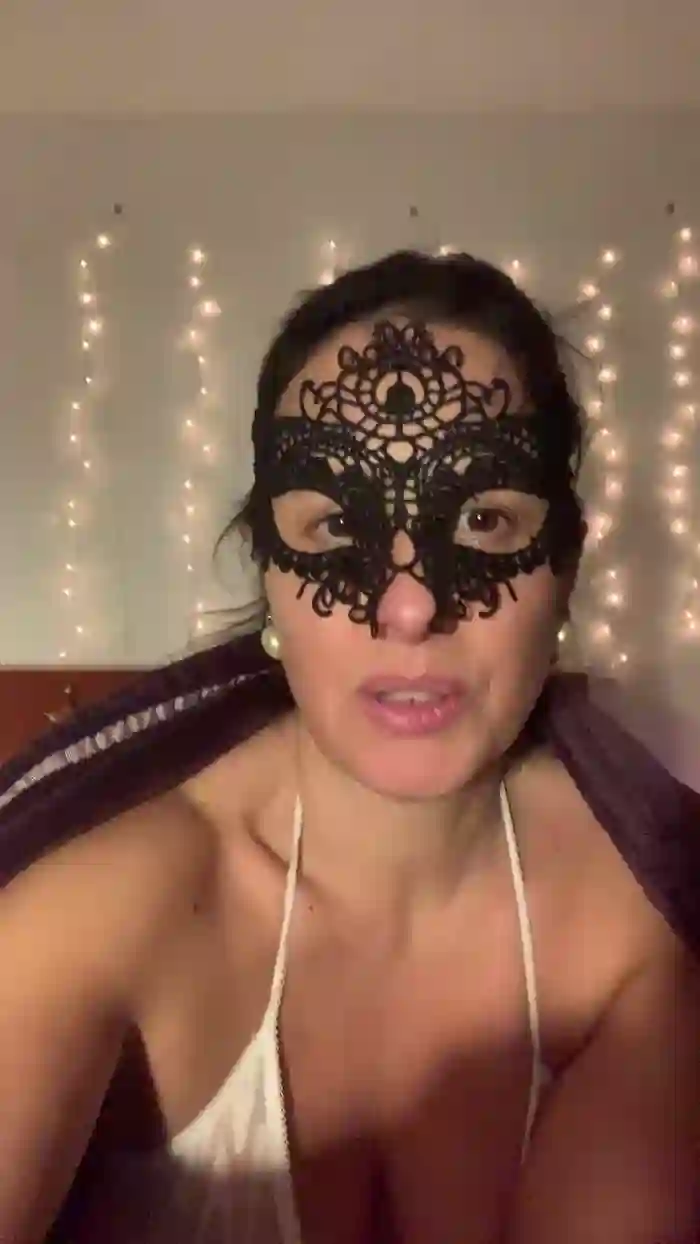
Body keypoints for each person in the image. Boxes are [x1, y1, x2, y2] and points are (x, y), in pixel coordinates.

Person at [0, 250, 699, 1244]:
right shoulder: (109, 908)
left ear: (566, 568)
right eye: (336, 524)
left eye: (483, 518)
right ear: (269, 573)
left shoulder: (634, 932)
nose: (408, 609)